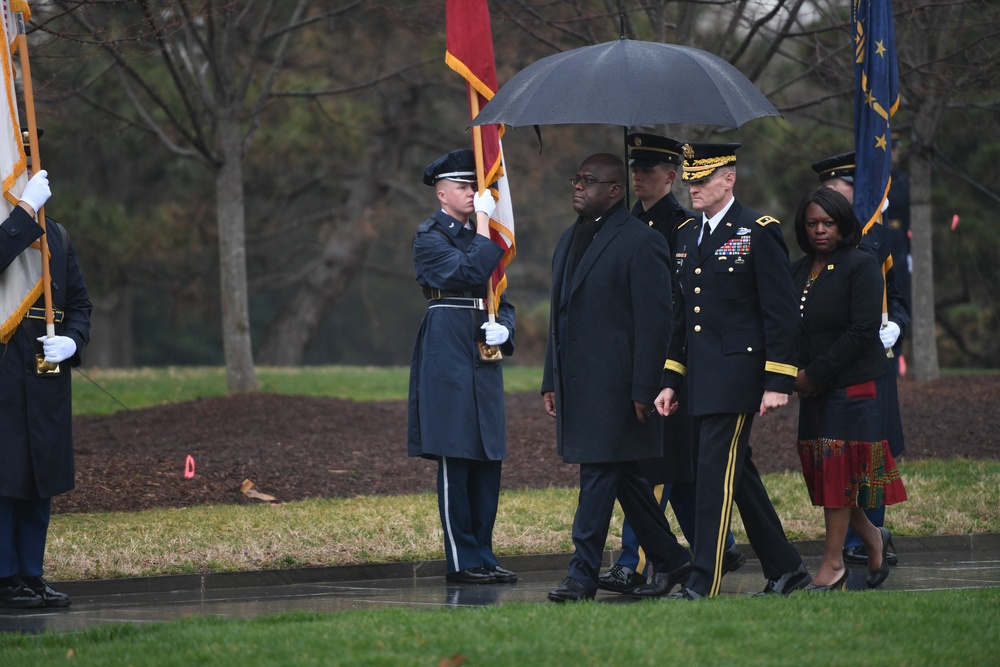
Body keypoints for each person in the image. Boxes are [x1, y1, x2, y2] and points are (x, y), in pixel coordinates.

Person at [655, 142, 809, 600]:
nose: (693, 187)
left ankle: (703, 581)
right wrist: (670, 379)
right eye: (690, 179)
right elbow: (682, 317)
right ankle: (787, 567)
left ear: (730, 179)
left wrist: (778, 380)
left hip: (739, 378)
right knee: (736, 475)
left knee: (711, 477)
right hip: (702, 378)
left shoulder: (758, 231)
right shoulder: (686, 234)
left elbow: (781, 314)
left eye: (703, 179)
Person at [597, 134, 743, 596]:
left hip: (666, 361)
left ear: (671, 176)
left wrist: (666, 370)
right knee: (674, 469)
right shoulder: (619, 223)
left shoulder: (681, 226)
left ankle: (637, 561)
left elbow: (676, 307)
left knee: (654, 466)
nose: (638, 176)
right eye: (634, 168)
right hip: (631, 355)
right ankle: (716, 547)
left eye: (649, 169)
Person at [543, 153, 692, 602]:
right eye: (577, 178)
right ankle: (672, 558)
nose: (578, 187)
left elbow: (656, 322)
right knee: (626, 478)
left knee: (598, 477)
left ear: (614, 191)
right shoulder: (570, 240)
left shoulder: (641, 241)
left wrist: (645, 387)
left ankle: (582, 574)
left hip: (620, 389)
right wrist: (551, 377)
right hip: (580, 385)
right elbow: (559, 316)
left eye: (590, 181)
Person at [407, 149, 517, 585]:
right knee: (457, 453)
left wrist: (505, 329)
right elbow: (463, 271)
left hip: (481, 342)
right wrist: (488, 232)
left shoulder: (480, 232)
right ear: (441, 193)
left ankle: (484, 555)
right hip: (448, 340)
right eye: (464, 186)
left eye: (476, 185)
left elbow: (501, 296)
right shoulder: (429, 235)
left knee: (488, 455)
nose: (474, 192)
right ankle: (462, 559)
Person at [789, 187, 908, 591]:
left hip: (853, 387)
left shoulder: (862, 264)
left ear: (843, 224)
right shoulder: (799, 268)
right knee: (828, 477)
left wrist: (812, 375)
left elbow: (862, 332)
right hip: (813, 388)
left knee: (841, 475)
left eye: (828, 223)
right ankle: (874, 536)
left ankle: (833, 562)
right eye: (812, 224)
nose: (820, 230)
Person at [1, 167, 92, 609]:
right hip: (3, 372)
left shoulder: (56, 234)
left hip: (44, 375)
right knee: (5, 478)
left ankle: (31, 576)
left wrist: (72, 341)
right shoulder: (12, 226)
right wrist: (22, 213)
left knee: (40, 479)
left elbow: (79, 303)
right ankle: (4, 578)